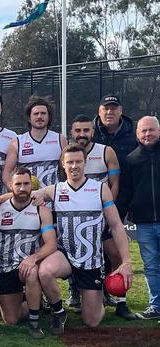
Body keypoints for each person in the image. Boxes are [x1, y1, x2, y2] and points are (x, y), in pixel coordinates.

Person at [36, 144, 134, 331]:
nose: (74, 166)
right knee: (45, 271)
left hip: (91, 259)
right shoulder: (55, 190)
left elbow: (116, 226)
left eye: (78, 162)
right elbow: (23, 195)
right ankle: (58, 311)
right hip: (64, 253)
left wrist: (126, 261)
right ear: (63, 165)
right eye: (70, 162)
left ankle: (96, 300)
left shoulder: (100, 189)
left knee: (92, 321)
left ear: (85, 163)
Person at [68, 114, 135, 320]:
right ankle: (75, 291)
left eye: (86, 130)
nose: (82, 135)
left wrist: (106, 210)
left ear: (93, 132)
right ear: (72, 133)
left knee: (115, 254)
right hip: (78, 219)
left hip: (102, 215)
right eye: (78, 131)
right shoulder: (68, 155)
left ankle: (121, 301)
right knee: (72, 251)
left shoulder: (106, 151)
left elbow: (114, 184)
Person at [0, 167, 57, 338]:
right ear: (11, 186)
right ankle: (35, 301)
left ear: (31, 186)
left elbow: (51, 244)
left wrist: (33, 258)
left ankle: (34, 322)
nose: (22, 188)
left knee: (32, 273)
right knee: (11, 319)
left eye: (26, 184)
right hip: (6, 268)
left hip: (27, 266)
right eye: (18, 184)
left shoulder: (41, 210)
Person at [117, 116, 160, 321]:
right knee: (151, 265)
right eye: (143, 131)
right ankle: (156, 306)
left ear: (158, 131)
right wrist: (117, 220)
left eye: (151, 130)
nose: (147, 134)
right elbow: (125, 193)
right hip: (143, 223)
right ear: (137, 134)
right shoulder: (131, 159)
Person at [2, 96, 68, 189]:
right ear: (29, 118)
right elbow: (7, 172)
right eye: (36, 114)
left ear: (49, 117)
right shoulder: (17, 142)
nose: (39, 116)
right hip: (27, 200)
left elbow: (66, 169)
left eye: (43, 113)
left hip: (52, 198)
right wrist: (14, 189)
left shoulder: (60, 139)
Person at [92, 94, 137, 168]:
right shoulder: (90, 135)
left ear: (120, 111)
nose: (109, 112)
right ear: (99, 112)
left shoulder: (133, 136)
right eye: (106, 109)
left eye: (113, 108)